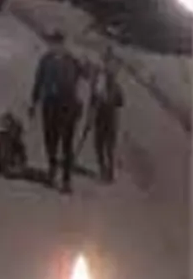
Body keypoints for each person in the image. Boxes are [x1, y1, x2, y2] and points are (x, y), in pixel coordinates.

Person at [29, 25, 83, 194]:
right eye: (53, 42)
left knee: (67, 143)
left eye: (58, 42)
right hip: (50, 104)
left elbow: (84, 80)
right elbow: (38, 81)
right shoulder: (45, 60)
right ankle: (52, 168)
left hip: (68, 105)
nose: (55, 46)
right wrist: (34, 101)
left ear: (63, 43)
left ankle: (66, 180)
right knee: (50, 139)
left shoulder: (72, 61)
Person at [84, 43, 124, 183]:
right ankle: (103, 170)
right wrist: (90, 115)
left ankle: (109, 171)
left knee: (108, 146)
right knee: (100, 144)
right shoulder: (99, 80)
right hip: (102, 113)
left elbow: (120, 102)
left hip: (109, 114)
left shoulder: (114, 84)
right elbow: (93, 98)